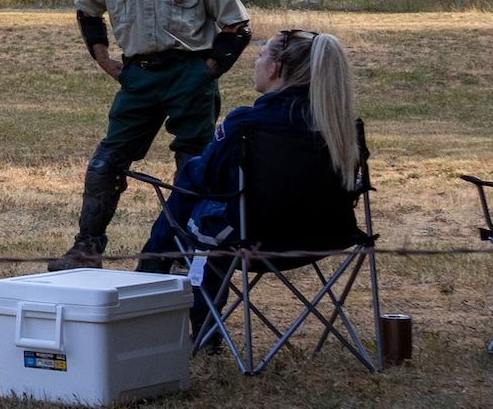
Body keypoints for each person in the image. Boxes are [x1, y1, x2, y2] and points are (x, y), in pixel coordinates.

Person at [65, 0, 251, 268]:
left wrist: (208, 70)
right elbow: (88, 11)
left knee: (194, 165)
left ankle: (188, 252)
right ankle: (86, 247)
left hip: (190, 74)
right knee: (106, 162)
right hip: (138, 76)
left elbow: (237, 26)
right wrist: (103, 59)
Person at [139, 28, 363, 334]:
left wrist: (193, 168)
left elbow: (208, 178)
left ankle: (160, 290)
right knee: (204, 193)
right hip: (329, 236)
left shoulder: (248, 125)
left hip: (254, 241)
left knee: (196, 195)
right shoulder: (341, 127)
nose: (255, 63)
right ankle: (155, 282)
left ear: (275, 69)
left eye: (260, 56)